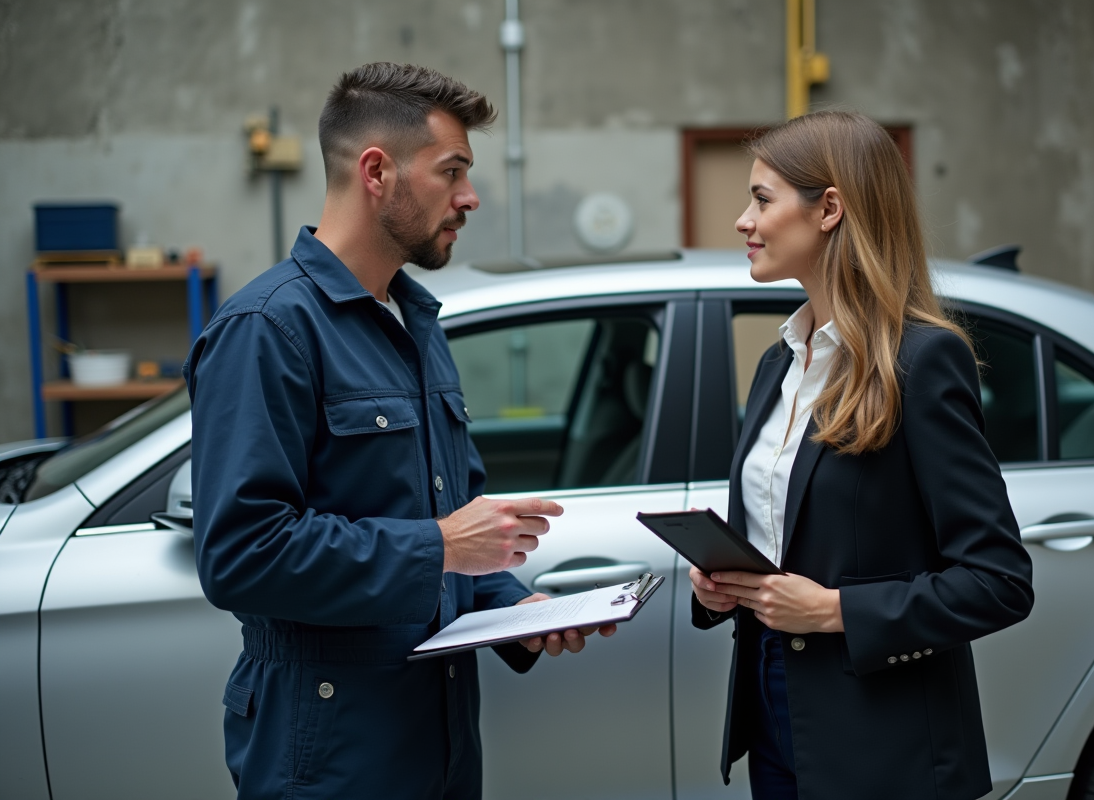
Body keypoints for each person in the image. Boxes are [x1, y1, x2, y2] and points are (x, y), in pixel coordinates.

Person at [184, 62, 613, 799]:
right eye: (452, 172)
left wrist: (516, 608)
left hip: (437, 741)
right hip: (333, 750)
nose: (470, 197)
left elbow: (453, 539)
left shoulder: (416, 323)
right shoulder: (269, 330)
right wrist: (442, 546)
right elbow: (241, 555)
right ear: (377, 171)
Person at [688, 110, 1035, 799]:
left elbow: (999, 581)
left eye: (761, 199)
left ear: (830, 210)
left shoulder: (922, 362)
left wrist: (835, 610)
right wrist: (720, 590)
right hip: (773, 710)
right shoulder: (774, 364)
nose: (741, 221)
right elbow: (784, 540)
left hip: (887, 744)